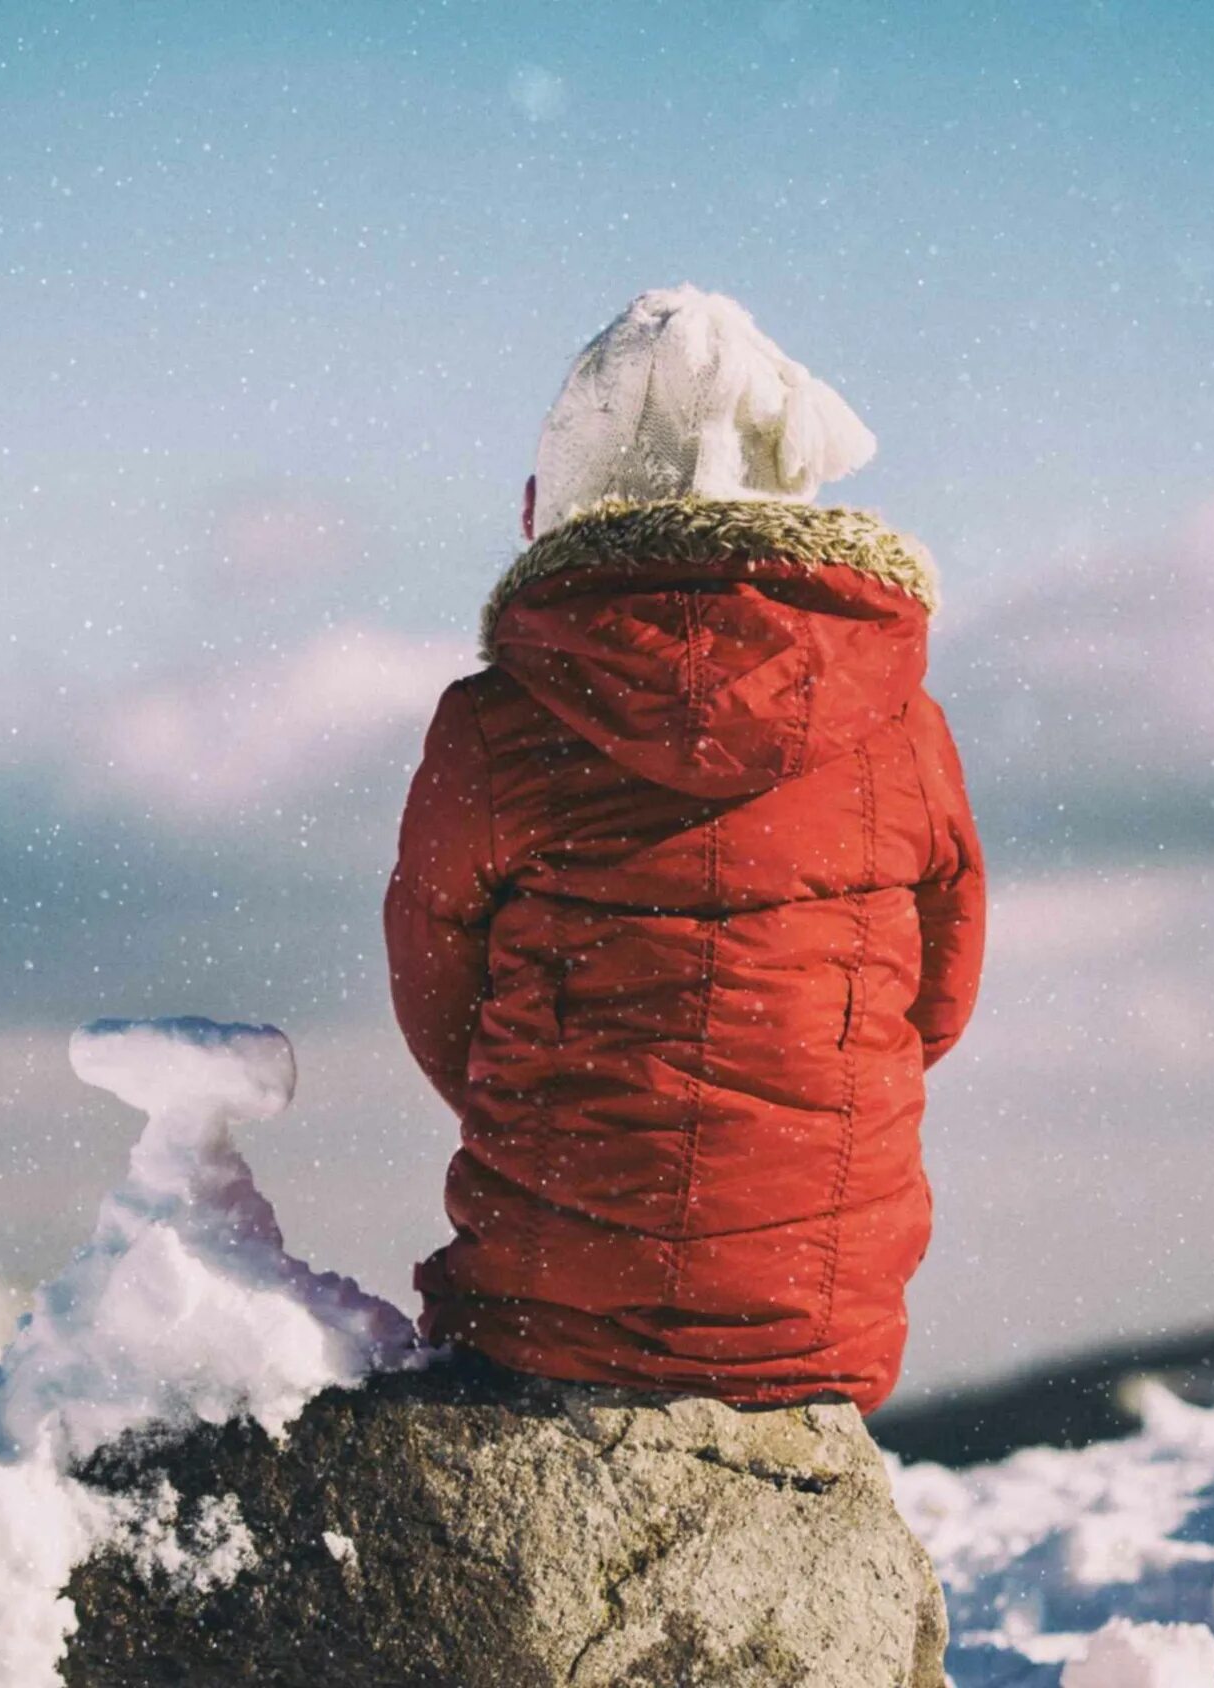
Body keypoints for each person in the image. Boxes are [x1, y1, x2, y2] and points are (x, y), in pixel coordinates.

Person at [383, 286, 986, 1412]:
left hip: (547, 1310)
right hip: (821, 1317)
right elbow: (936, 1001)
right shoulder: (903, 723)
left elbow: (439, 1000)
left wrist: (570, 1111)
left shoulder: (491, 723)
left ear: (563, 496)